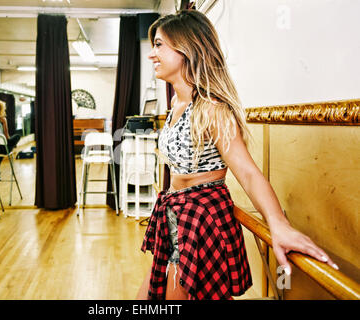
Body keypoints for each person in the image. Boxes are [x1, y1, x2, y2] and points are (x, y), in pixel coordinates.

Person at [137, 10, 338, 300]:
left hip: (200, 222)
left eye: (159, 44)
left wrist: (279, 225)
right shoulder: (175, 104)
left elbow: (247, 172)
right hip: (176, 216)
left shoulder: (211, 109)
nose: (152, 54)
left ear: (187, 47)